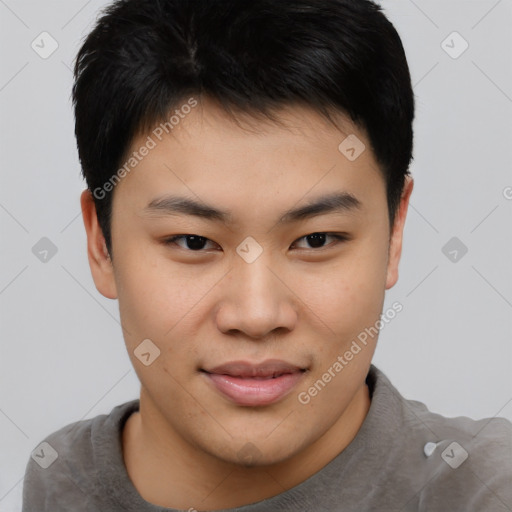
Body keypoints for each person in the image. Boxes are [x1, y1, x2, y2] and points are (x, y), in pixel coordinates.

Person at [22, 0, 512, 510]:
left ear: (394, 233)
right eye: (194, 242)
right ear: (101, 243)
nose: (257, 316)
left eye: (316, 240)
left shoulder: (485, 491)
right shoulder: (60, 479)